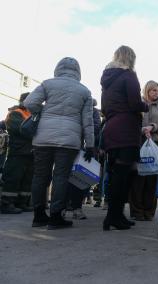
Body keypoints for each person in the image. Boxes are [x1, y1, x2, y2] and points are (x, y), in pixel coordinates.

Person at [24, 57, 94, 229]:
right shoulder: (84, 91)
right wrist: (90, 144)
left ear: (58, 68)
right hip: (69, 141)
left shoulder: (47, 84)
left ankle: (38, 215)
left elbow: (29, 103)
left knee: (40, 176)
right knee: (61, 177)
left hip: (43, 138)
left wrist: (45, 111)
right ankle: (56, 217)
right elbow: (88, 121)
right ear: (78, 72)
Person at [101, 45, 149, 230]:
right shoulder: (129, 75)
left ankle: (116, 215)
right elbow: (135, 103)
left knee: (115, 175)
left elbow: (105, 106)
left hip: (111, 128)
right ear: (131, 58)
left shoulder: (107, 79)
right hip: (126, 129)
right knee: (124, 175)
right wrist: (146, 105)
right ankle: (113, 217)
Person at [129, 80, 158, 221]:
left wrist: (153, 127)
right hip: (139, 145)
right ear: (147, 91)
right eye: (153, 90)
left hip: (155, 147)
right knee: (138, 181)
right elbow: (130, 123)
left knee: (152, 181)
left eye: (157, 90)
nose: (156, 93)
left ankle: (149, 212)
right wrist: (142, 130)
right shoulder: (138, 105)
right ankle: (137, 212)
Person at [0, 93, 34, 214]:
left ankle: (22, 202)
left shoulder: (32, 114)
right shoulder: (15, 113)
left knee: (27, 179)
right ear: (24, 101)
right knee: (13, 177)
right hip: (18, 151)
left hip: (30, 151)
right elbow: (23, 130)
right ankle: (6, 203)